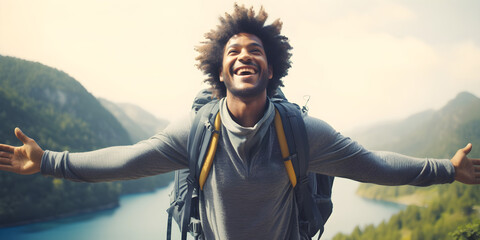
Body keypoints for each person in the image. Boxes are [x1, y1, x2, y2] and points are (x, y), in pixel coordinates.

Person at [0, 4, 479, 240]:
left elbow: (373, 165)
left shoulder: (303, 133)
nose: (245, 56)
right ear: (220, 70)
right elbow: (126, 161)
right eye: (234, 51)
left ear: (271, 69)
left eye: (255, 51)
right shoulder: (196, 130)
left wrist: (445, 169)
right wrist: (49, 162)